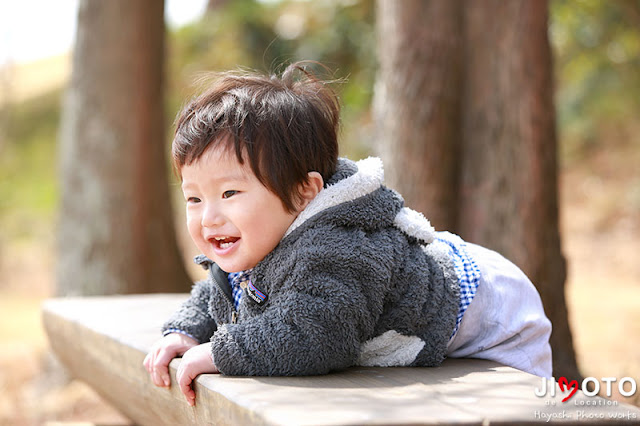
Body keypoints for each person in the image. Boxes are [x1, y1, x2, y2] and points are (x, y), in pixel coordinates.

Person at [143, 61, 552, 407]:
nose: (209, 217)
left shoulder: (337, 250)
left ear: (305, 192)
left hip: (496, 313)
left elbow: (317, 335)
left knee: (516, 409)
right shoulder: (262, 236)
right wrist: (186, 331)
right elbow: (223, 289)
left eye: (230, 193)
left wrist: (220, 351)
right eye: (194, 199)